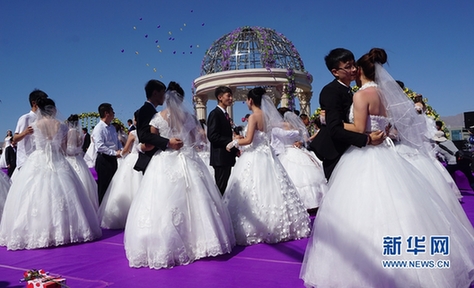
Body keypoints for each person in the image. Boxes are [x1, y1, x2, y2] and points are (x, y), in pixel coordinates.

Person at [300, 48, 474, 288]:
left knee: (359, 210)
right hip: (383, 153)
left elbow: (358, 127)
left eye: (353, 66)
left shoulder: (360, 95)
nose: (351, 70)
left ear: (360, 69)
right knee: (401, 207)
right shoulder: (382, 94)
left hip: (364, 155)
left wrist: (356, 131)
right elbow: (369, 126)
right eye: (347, 66)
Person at [124, 81, 235, 269]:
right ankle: (201, 241)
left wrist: (149, 146)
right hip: (188, 159)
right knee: (197, 199)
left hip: (165, 161)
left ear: (167, 97)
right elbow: (194, 139)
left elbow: (149, 144)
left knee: (162, 202)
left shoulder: (158, 117)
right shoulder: (188, 117)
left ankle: (166, 244)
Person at [0, 97, 101, 250]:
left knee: (34, 195)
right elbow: (65, 148)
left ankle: (40, 231)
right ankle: (65, 231)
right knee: (65, 195)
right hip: (58, 159)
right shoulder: (61, 126)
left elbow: (15, 139)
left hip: (37, 159)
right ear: (53, 109)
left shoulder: (34, 125)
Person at [223, 87, 310, 246]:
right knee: (273, 187)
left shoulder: (253, 117)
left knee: (252, 188)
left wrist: (234, 142)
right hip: (267, 155)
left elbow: (248, 140)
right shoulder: (268, 116)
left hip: (255, 154)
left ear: (250, 100)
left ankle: (257, 226)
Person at [309, 48, 384, 180]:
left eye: (354, 65)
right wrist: (367, 140)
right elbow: (335, 129)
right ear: (335, 72)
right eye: (348, 67)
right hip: (335, 152)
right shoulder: (331, 91)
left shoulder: (354, 92)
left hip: (352, 151)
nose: (354, 69)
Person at [271, 111, 328, 211]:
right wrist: (300, 142)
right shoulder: (296, 127)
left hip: (288, 151)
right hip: (298, 151)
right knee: (307, 175)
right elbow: (304, 139)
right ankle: (315, 201)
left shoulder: (279, 127)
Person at [98, 112, 143, 229]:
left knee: (125, 186)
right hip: (143, 160)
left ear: (136, 121)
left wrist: (119, 153)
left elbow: (126, 149)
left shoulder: (133, 133)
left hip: (132, 159)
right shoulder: (146, 132)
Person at [133, 79, 183, 173]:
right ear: (155, 93)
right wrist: (168, 142)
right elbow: (144, 135)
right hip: (152, 158)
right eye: (163, 92)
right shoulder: (145, 110)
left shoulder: (155, 112)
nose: (165, 96)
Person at [207, 86, 240, 195]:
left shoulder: (225, 115)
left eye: (231, 96)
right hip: (220, 158)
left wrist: (235, 150)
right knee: (220, 188)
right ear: (220, 97)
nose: (231, 99)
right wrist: (231, 140)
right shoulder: (215, 114)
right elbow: (212, 136)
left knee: (226, 188)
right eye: (228, 96)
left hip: (227, 157)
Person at [65, 114, 99, 212]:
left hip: (72, 158)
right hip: (79, 159)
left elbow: (70, 149)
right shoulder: (79, 134)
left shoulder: (70, 133)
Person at [92, 103, 123, 205]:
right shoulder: (99, 128)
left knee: (113, 185)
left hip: (113, 159)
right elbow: (100, 146)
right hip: (104, 159)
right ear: (106, 113)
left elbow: (116, 142)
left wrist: (121, 150)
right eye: (112, 112)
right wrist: (114, 153)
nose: (114, 114)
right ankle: (101, 211)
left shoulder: (112, 128)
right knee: (104, 187)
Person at [12, 89, 48, 174]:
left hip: (40, 159)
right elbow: (15, 138)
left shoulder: (43, 119)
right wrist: (25, 132)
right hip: (26, 159)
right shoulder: (25, 118)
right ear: (34, 103)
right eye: (42, 101)